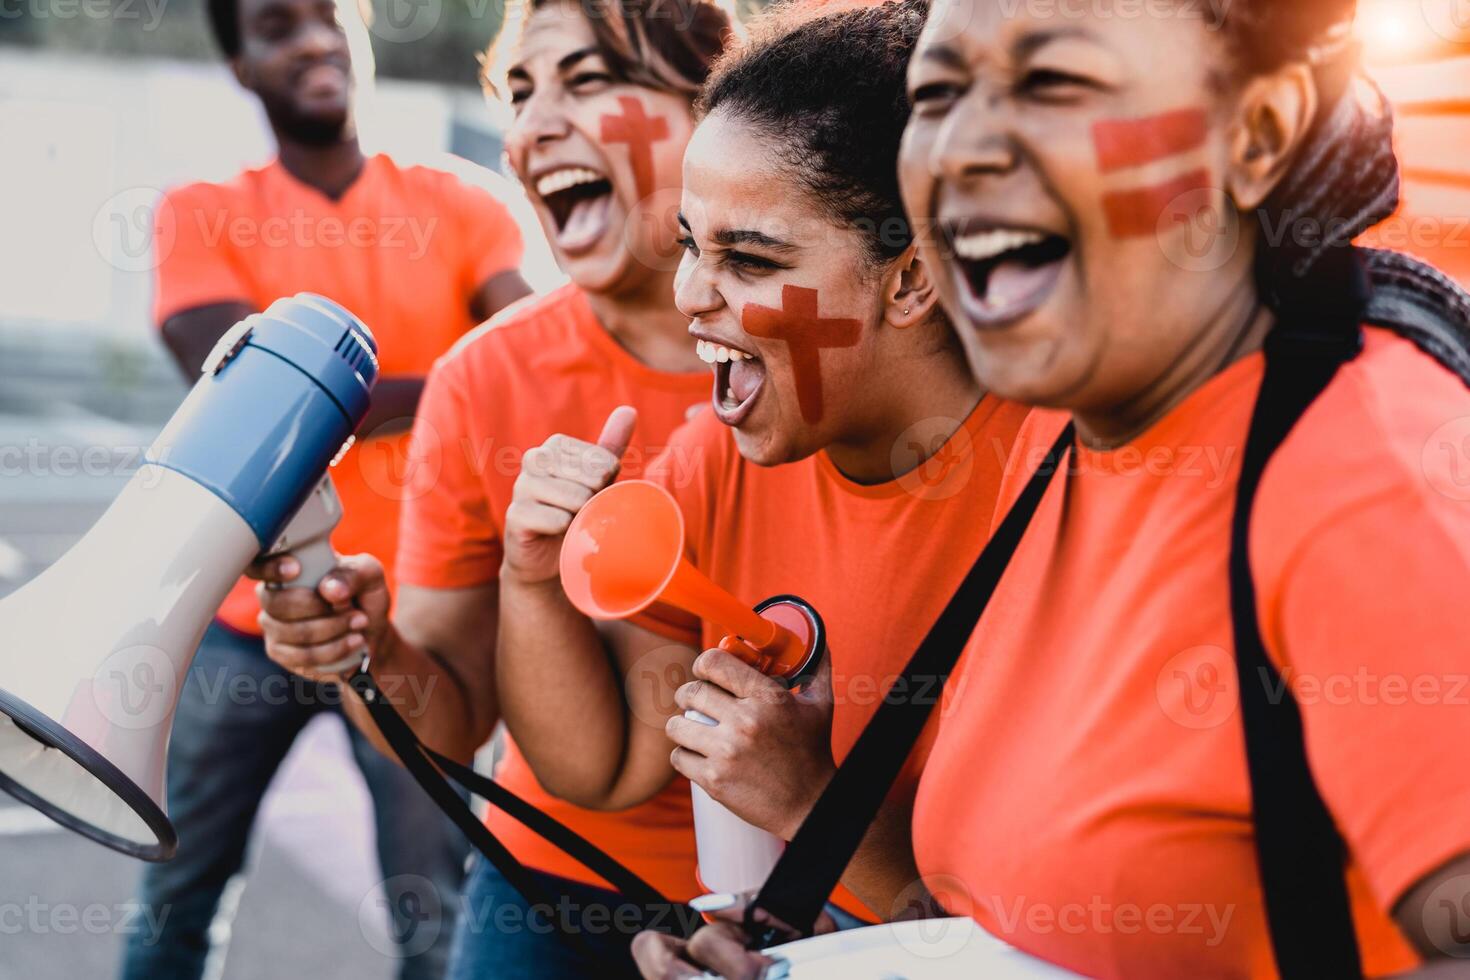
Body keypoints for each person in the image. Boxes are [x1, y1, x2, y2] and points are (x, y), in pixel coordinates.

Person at [640, 0, 1470, 976]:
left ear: (1260, 134)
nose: (968, 150)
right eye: (942, 93)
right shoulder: (1055, 446)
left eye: (1057, 84)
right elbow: (1017, 925)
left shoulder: (1357, 465)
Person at [495, 0, 1028, 935]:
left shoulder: (1062, 480)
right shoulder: (715, 462)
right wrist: (531, 577)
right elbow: (605, 770)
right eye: (692, 244)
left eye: (747, 257)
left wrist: (809, 804)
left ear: (912, 278)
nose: (690, 295)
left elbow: (1035, 940)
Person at [251, 0, 733, 976]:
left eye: (588, 80)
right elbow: (451, 720)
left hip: (818, 895)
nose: (531, 126)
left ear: (716, 109)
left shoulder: (826, 355)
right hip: (547, 886)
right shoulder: (486, 376)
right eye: (519, 91)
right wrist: (367, 647)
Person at [120, 0, 532, 974]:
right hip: (246, 616)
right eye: (275, 26)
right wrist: (452, 381)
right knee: (178, 892)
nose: (310, 40)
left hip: (413, 626)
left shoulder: (465, 200)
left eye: (326, 17)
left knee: (437, 920)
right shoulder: (200, 209)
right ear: (240, 65)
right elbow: (249, 398)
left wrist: (332, 387)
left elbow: (531, 368)